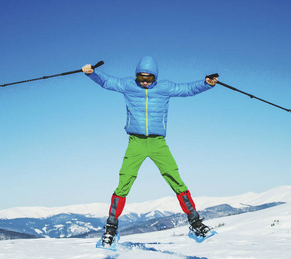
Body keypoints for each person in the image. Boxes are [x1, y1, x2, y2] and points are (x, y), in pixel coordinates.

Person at [82, 56, 218, 247]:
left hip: (158, 143)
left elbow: (187, 89)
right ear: (136, 76)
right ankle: (110, 230)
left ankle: (195, 223)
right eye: (141, 78)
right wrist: (92, 73)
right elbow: (107, 81)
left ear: (155, 77)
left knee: (175, 180)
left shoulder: (165, 87)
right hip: (135, 142)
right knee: (124, 183)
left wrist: (206, 83)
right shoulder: (128, 85)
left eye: (149, 79)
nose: (144, 82)